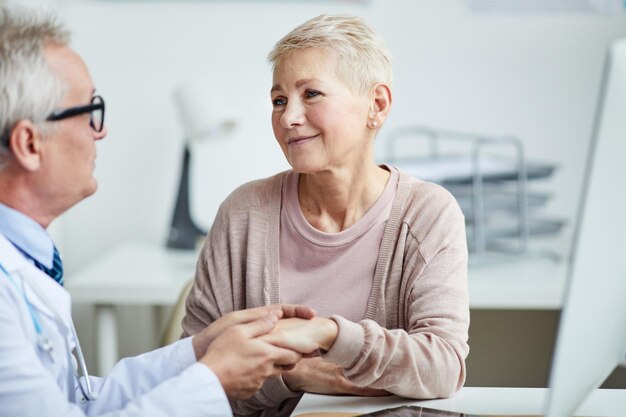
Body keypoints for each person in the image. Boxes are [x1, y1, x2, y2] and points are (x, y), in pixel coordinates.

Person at [0, 6, 317, 417]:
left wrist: (198, 352)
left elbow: (79, 401)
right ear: (29, 144)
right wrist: (213, 381)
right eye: (88, 111)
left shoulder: (26, 261)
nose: (102, 130)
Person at [182, 13, 470, 417]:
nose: (287, 118)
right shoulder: (243, 214)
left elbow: (442, 367)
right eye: (279, 100)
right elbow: (193, 381)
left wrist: (331, 333)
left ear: (378, 104)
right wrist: (293, 376)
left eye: (311, 94)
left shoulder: (426, 213)